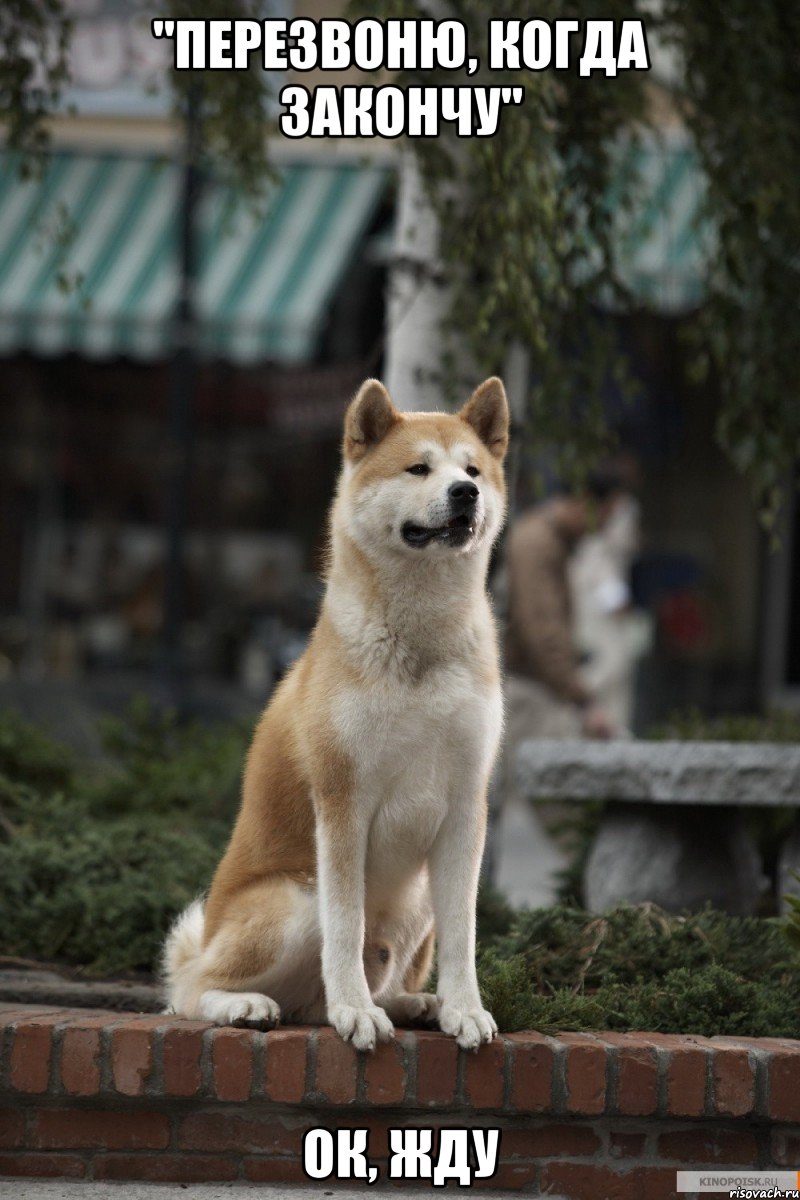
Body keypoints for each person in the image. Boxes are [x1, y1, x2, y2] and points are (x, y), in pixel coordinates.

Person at [504, 470, 627, 743]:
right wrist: (583, 701)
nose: (605, 527)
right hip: (527, 691)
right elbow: (542, 630)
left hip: (537, 687)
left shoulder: (551, 541)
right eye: (606, 515)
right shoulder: (538, 544)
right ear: (586, 502)